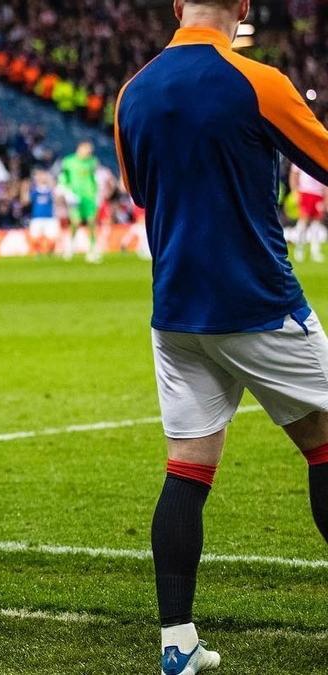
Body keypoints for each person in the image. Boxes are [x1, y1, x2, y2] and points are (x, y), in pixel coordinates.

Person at [116, 1, 328, 673]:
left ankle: (177, 643)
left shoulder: (133, 91)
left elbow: (139, 191)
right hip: (256, 301)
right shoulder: (258, 80)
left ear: (176, 6)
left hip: (176, 311)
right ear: (242, 8)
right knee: (324, 445)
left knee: (188, 467)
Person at [58, 141, 102, 263]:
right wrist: (66, 191)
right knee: (75, 222)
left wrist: (97, 193)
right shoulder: (68, 161)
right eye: (86, 150)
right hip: (75, 196)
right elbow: (63, 177)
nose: (88, 152)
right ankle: (70, 247)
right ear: (79, 148)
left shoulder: (92, 161)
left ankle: (92, 249)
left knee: (91, 222)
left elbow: (95, 178)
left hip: (89, 196)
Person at [290, 163, 327, 263]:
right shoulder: (301, 156)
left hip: (318, 194)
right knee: (303, 222)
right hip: (305, 192)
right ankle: (299, 250)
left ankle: (315, 251)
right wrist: (295, 192)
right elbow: (294, 175)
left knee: (316, 224)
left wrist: (326, 199)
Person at [24, 168, 61, 256]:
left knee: (52, 239)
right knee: (34, 238)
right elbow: (25, 201)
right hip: (37, 218)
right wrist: (24, 189)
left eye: (42, 175)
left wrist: (53, 185)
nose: (41, 178)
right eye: (38, 176)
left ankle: (50, 253)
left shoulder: (51, 190)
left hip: (50, 218)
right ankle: (38, 252)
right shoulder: (34, 191)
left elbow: (58, 201)